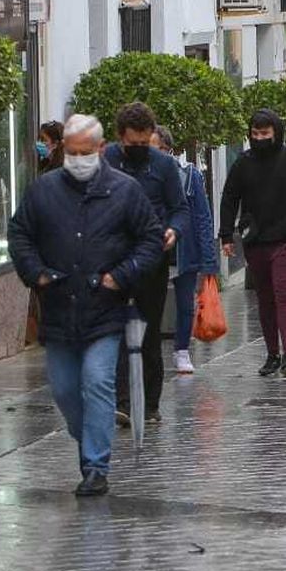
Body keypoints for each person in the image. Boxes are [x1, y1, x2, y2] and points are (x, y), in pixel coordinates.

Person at [9, 114, 163, 497]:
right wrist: (37, 273)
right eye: (70, 152)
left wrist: (121, 275)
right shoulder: (43, 191)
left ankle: (96, 465)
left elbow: (150, 239)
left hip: (105, 307)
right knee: (63, 389)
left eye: (84, 152)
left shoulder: (125, 191)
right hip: (59, 306)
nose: (77, 159)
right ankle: (89, 436)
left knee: (97, 383)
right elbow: (20, 234)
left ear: (99, 149)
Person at [219, 109, 286, 378]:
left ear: (276, 133)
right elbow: (229, 197)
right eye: (255, 134)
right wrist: (225, 235)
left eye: (265, 133)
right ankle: (272, 354)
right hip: (255, 240)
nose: (260, 138)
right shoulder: (243, 163)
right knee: (264, 299)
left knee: (283, 293)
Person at [102, 103, 189, 426]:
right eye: (132, 144)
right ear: (120, 137)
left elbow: (180, 208)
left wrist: (174, 230)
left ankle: (150, 404)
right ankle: (122, 402)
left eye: (144, 143)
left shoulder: (164, 166)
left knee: (149, 331)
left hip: (152, 257)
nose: (138, 149)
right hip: (114, 256)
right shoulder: (106, 159)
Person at [150, 126, 216, 375]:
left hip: (184, 251)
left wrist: (209, 262)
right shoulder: (141, 176)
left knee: (185, 304)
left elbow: (202, 217)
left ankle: (182, 350)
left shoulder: (190, 176)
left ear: (168, 150)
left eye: (157, 149)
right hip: (153, 250)